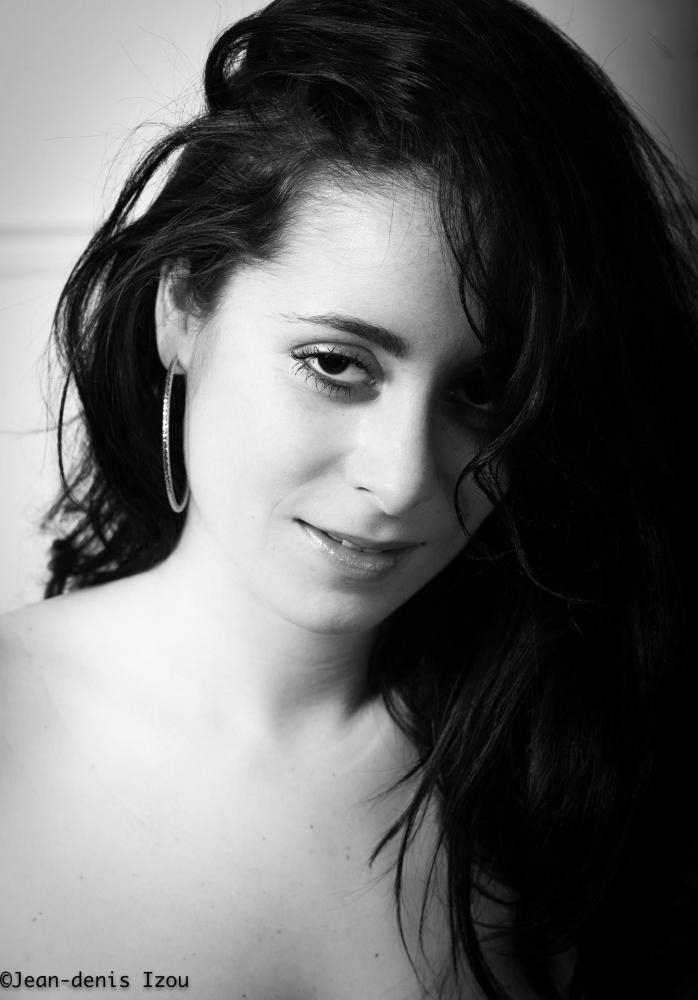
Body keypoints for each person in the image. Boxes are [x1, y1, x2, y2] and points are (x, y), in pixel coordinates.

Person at [1, 0, 697, 997]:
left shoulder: (567, 777)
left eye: (484, 392)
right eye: (335, 363)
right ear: (182, 310)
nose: (404, 477)